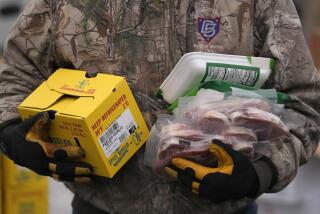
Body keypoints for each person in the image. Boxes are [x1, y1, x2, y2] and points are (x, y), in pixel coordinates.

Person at [0, 0, 319, 214]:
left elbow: (303, 103)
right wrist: (13, 132)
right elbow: (14, 78)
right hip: (99, 208)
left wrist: (259, 173)